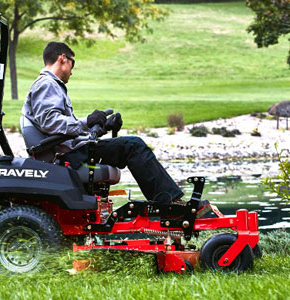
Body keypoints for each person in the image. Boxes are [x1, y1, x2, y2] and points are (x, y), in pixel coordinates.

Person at [22, 42, 184, 204]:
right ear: (63, 59)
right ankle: (169, 204)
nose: (72, 71)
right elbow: (51, 123)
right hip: (71, 156)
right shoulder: (47, 84)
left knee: (129, 146)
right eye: (73, 63)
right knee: (133, 145)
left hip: (74, 151)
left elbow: (64, 128)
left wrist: (104, 126)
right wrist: (88, 121)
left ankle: (167, 201)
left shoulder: (51, 85)